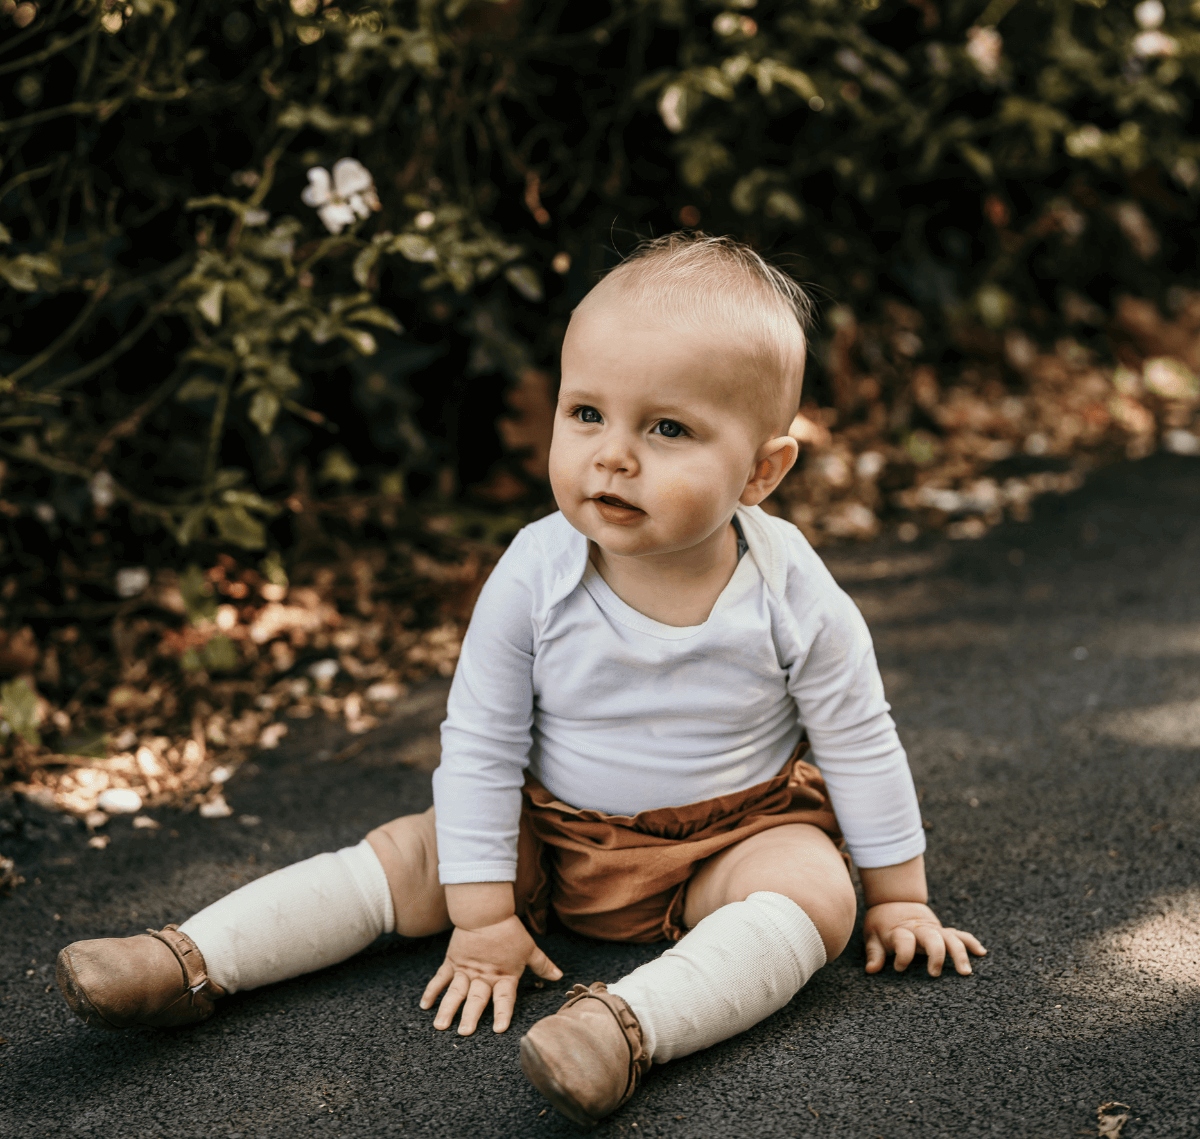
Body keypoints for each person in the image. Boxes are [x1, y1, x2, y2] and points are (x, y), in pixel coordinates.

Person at [56, 233, 985, 1129]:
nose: (613, 454)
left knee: (816, 890)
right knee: (418, 856)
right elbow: (483, 743)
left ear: (762, 470)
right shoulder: (537, 572)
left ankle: (622, 1030)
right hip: (549, 828)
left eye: (668, 428)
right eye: (587, 414)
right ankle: (191, 959)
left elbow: (858, 735)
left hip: (730, 838)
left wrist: (898, 892)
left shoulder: (791, 587)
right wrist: (485, 914)